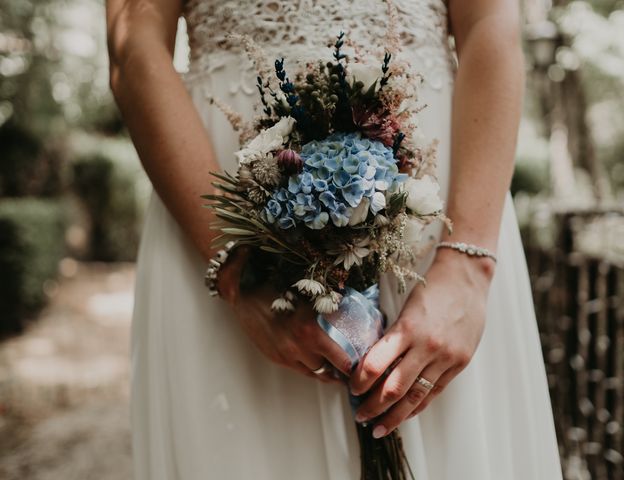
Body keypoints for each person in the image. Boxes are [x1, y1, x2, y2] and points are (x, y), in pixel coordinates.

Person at [107, 0, 564, 478]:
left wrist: (468, 267)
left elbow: (491, 22)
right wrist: (237, 268)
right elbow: (134, 45)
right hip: (217, 197)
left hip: (441, 213)